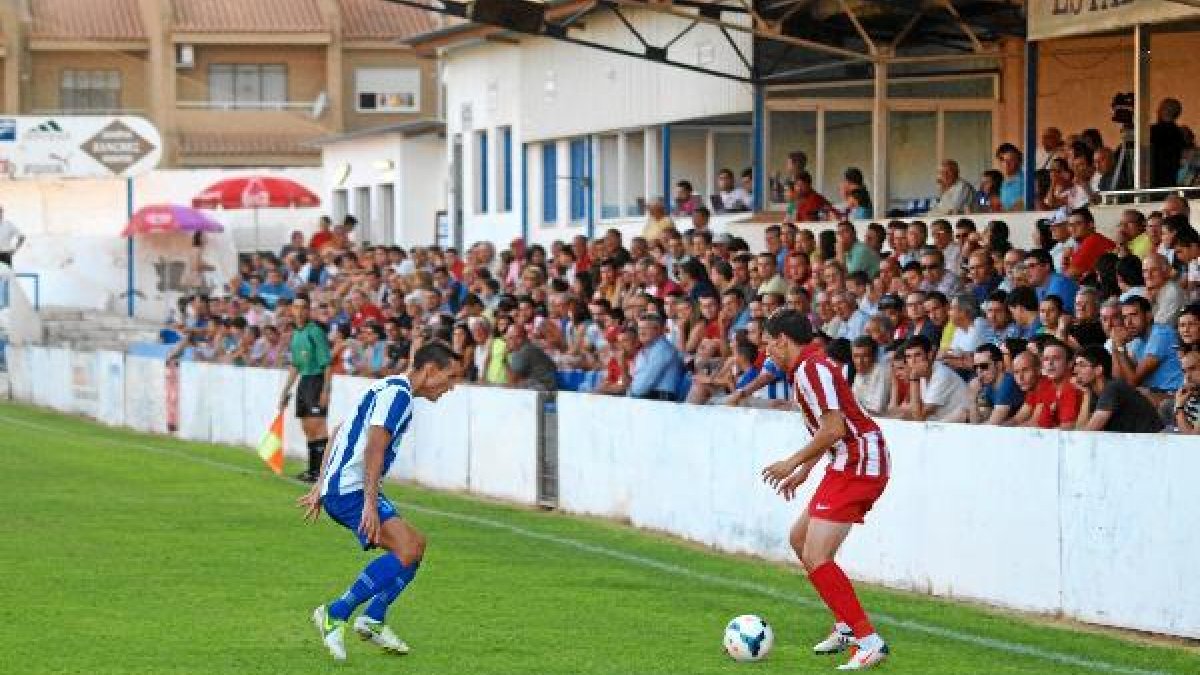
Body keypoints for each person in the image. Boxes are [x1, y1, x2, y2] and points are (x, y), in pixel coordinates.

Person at [299, 341, 461, 662]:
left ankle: (373, 618)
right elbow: (374, 447)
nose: (452, 386)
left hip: (345, 487)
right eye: (451, 376)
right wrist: (369, 504)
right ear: (430, 370)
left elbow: (339, 431)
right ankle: (336, 612)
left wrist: (321, 483)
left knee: (416, 545)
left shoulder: (388, 386)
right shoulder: (398, 396)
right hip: (352, 490)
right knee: (407, 548)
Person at [759, 309, 890, 670]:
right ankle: (846, 627)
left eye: (769, 343)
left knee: (817, 554)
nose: (767, 351)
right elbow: (831, 429)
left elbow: (834, 429)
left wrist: (791, 461)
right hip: (847, 461)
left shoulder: (811, 370)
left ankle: (869, 641)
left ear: (783, 340)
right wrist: (804, 470)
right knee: (800, 539)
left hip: (860, 463)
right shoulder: (810, 368)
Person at [278, 297, 333, 483]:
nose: (299, 311)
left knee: (318, 427)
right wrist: (285, 390)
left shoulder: (315, 332)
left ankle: (323, 473)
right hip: (304, 382)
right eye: (296, 307)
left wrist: (326, 391)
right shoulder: (296, 334)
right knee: (307, 428)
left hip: (316, 381)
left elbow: (327, 364)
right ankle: (313, 470)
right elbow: (295, 365)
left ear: (308, 310)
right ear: (291, 310)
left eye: (303, 308)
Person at [1072, 345, 1164, 433]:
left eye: (1082, 365)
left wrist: (1086, 394)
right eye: (1076, 365)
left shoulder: (1113, 388)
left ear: (1098, 370)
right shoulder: (1095, 394)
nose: (1075, 370)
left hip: (1153, 441)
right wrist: (1087, 394)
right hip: (1133, 441)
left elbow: (1088, 433)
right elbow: (1080, 431)